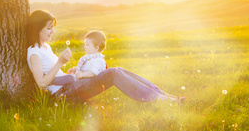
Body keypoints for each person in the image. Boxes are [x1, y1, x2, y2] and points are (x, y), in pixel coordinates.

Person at [27, 10, 180, 103]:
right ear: (37, 28)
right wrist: (60, 62)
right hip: (62, 96)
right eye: (49, 28)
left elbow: (54, 74)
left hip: (70, 85)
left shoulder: (45, 47)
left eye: (52, 28)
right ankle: (157, 99)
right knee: (112, 73)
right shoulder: (34, 52)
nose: (52, 32)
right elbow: (41, 82)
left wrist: (70, 72)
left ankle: (163, 95)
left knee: (116, 69)